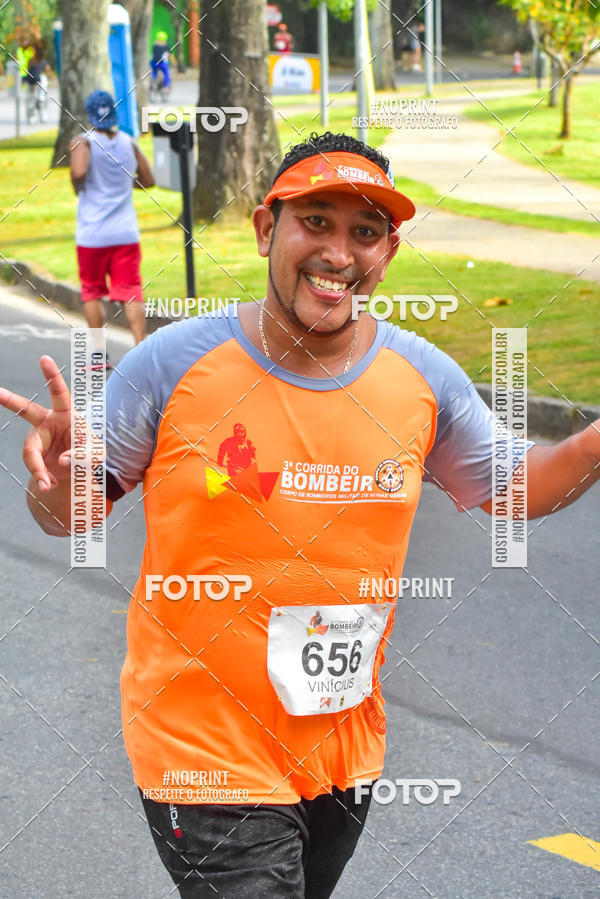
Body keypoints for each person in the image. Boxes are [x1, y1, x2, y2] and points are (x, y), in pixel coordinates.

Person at [1, 132, 600, 897]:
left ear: (387, 251)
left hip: (342, 749)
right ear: (264, 229)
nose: (338, 252)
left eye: (365, 231)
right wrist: (55, 482)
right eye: (315, 220)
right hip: (200, 745)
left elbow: (520, 486)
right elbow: (70, 511)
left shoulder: (422, 379)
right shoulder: (175, 362)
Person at [69, 90, 154, 350]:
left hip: (92, 235)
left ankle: (98, 352)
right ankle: (140, 347)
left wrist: (77, 183)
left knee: (92, 291)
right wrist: (125, 185)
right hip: (126, 234)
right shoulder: (129, 142)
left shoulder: (83, 141)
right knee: (131, 290)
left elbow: (79, 171)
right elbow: (149, 180)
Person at [150, 30, 171, 94]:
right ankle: (166, 87)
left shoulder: (154, 46)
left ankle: (152, 82)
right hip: (162, 64)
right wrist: (174, 62)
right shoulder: (166, 46)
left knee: (154, 72)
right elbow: (170, 55)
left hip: (153, 63)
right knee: (167, 74)